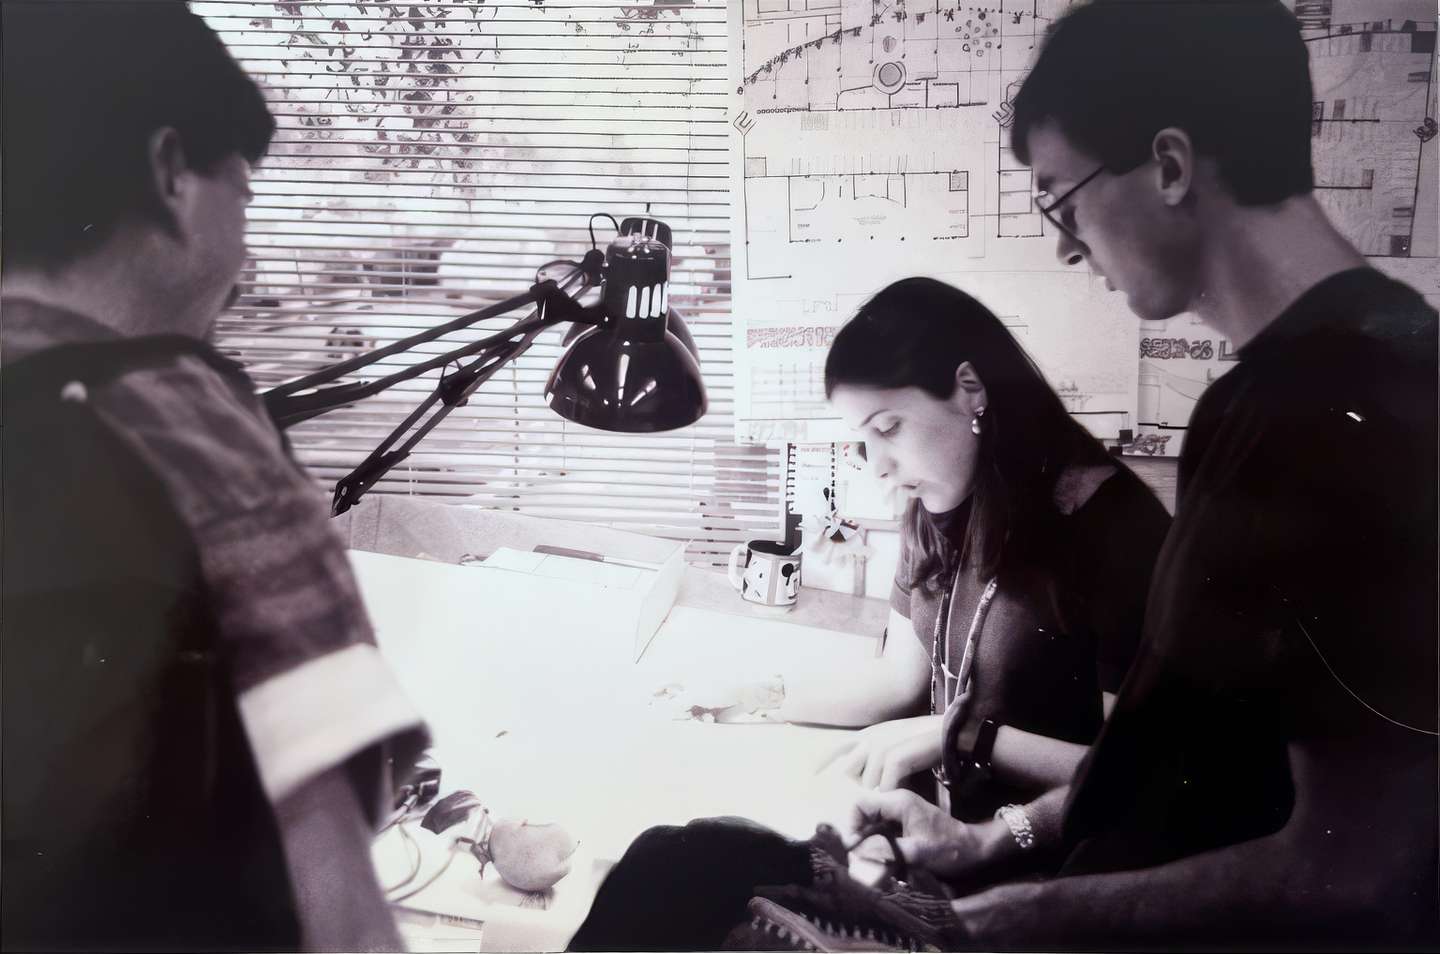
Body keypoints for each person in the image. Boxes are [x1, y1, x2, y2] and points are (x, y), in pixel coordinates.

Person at [850, 1, 1439, 947]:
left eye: (1062, 199)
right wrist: (984, 844)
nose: (1065, 244)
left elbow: (1355, 870)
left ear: (1169, 165)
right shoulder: (1250, 406)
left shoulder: (1356, 410)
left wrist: (1000, 922)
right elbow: (1175, 773)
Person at [568, 278, 1171, 950]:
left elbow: (1138, 779)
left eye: (888, 428)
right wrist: (758, 695)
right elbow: (898, 682)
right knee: (667, 857)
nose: (878, 465)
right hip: (931, 857)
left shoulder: (1115, 529)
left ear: (970, 389)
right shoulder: (936, 502)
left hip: (1038, 895)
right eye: (863, 441)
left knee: (692, 900)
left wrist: (968, 741)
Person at [1, 3, 428, 950]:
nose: (247, 249)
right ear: (168, 173)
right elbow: (329, 867)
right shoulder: (184, 418)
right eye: (242, 191)